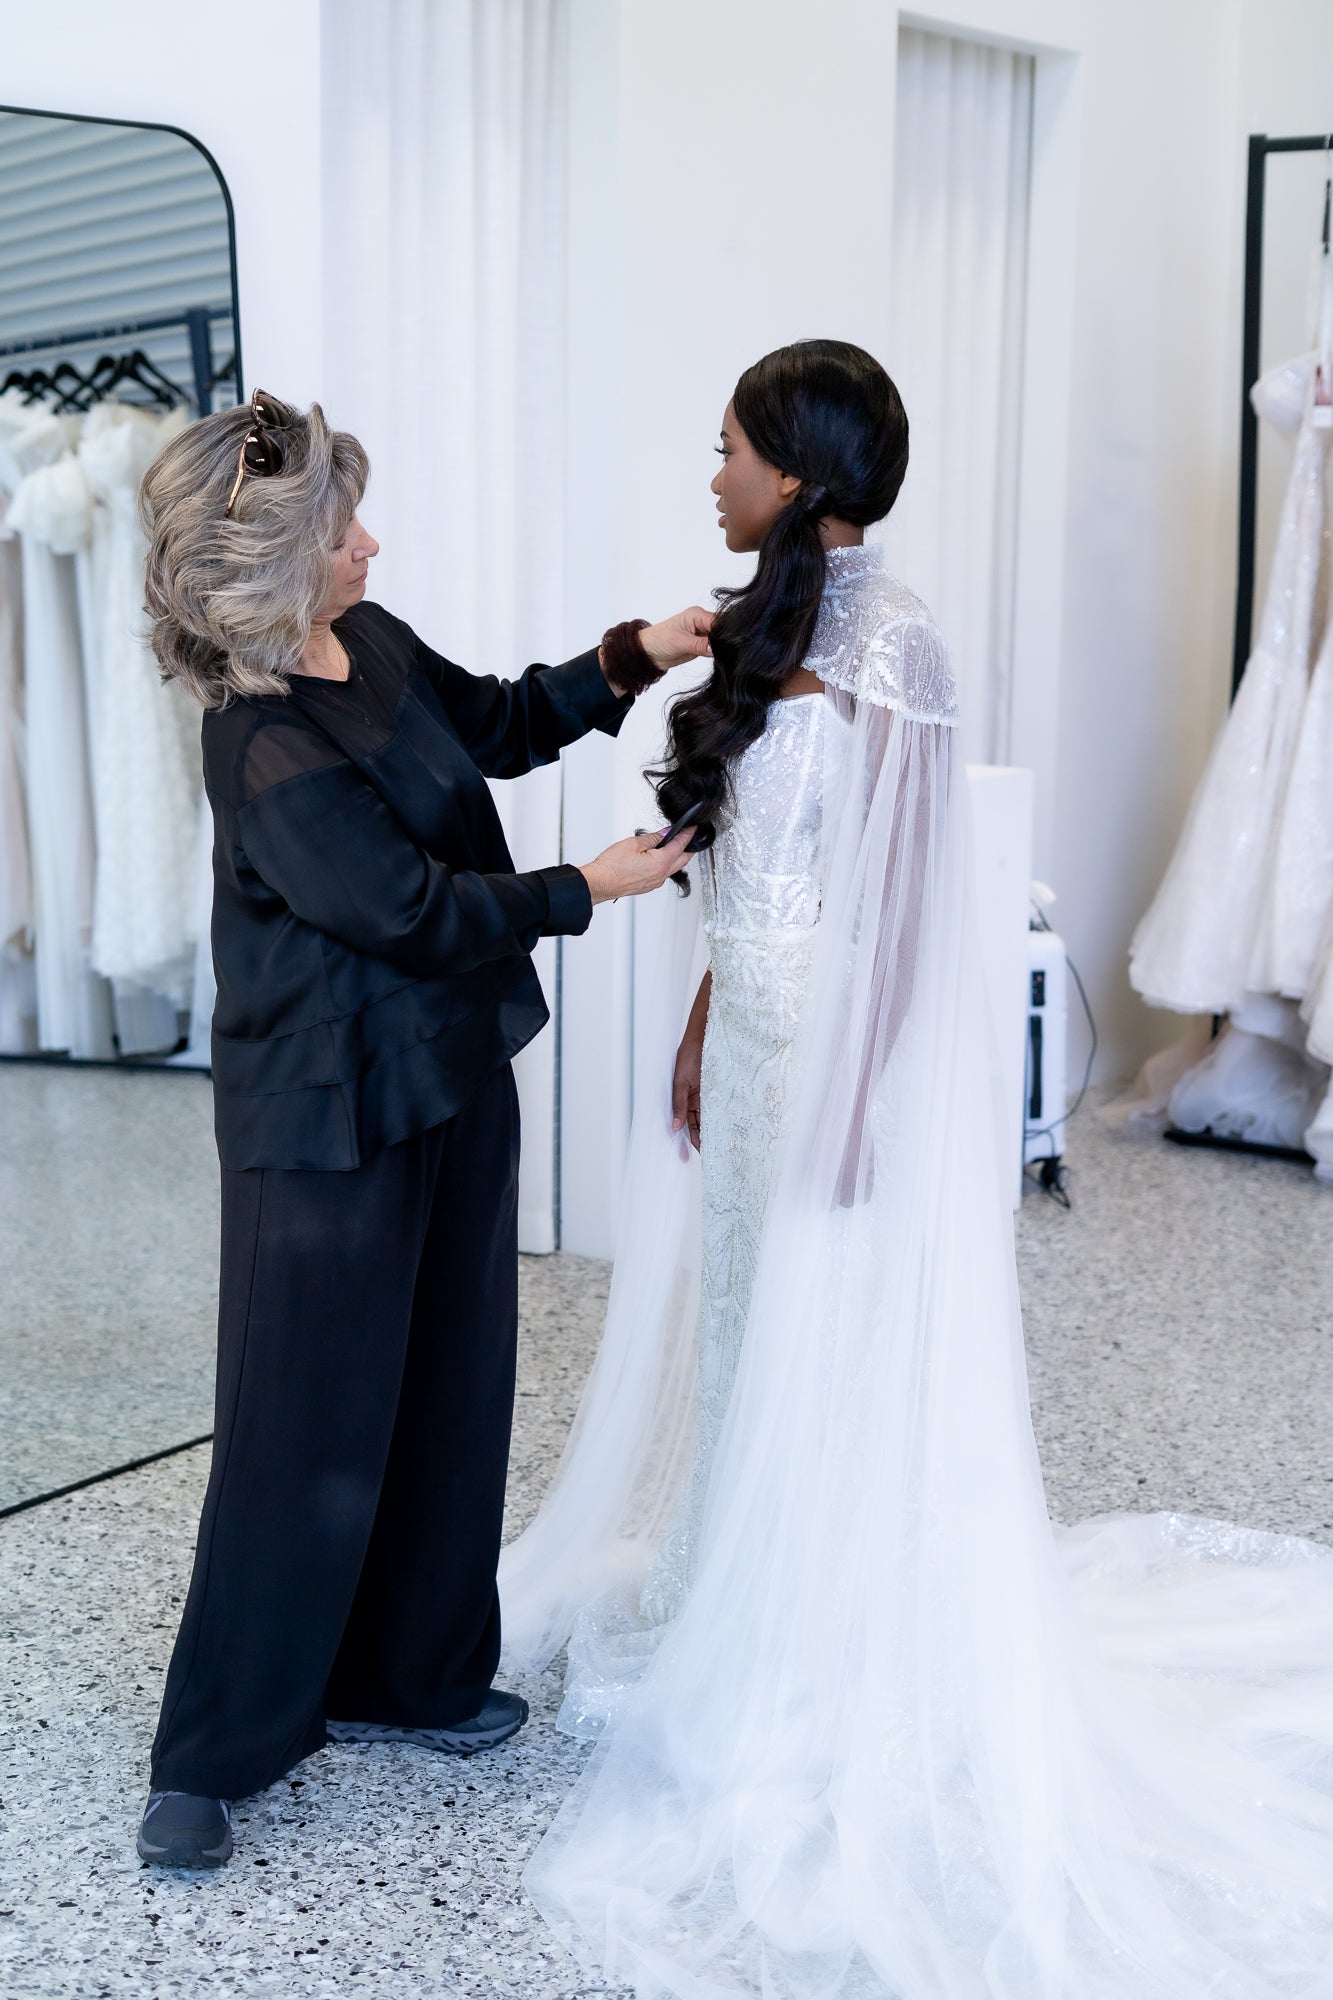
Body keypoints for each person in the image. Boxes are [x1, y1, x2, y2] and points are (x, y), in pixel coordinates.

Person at [501, 341, 1333, 1998]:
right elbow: (747, 863)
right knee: (747, 1308)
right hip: (749, 1036)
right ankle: (734, 1572)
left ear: (800, 471)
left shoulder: (899, 644)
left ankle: (824, 1626)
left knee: (829, 1317)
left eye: (729, 447)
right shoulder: (757, 623)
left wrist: (867, 1096)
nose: (710, 471)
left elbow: (904, 901)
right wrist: (696, 1021)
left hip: (841, 1055)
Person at [132, 390, 707, 1869]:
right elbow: (409, 912)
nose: (371, 544)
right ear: (273, 564)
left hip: (450, 1073)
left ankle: (408, 1676)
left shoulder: (367, 644)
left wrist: (633, 654)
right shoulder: (257, 745)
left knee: (451, 1386)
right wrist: (592, 888)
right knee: (298, 1429)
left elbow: (498, 723)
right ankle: (214, 1748)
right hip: (324, 1116)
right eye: (343, 529)